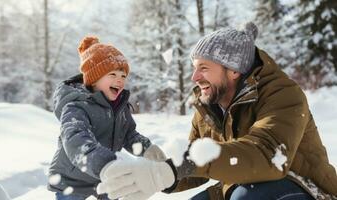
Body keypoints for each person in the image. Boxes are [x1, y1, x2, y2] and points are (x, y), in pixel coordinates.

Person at [98, 22, 337, 200]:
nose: (194, 77)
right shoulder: (209, 104)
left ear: (233, 70)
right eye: (194, 68)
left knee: (246, 198)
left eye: (203, 68)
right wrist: (160, 169)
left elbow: (266, 156)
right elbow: (198, 169)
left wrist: (181, 165)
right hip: (239, 185)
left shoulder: (282, 94)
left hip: (303, 189)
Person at [47, 36, 165, 200]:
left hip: (106, 175)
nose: (119, 79)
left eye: (123, 76)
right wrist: (104, 163)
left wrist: (147, 149)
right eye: (113, 74)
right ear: (94, 79)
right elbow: (76, 139)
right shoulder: (76, 106)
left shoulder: (120, 107)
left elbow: (128, 135)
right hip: (73, 179)